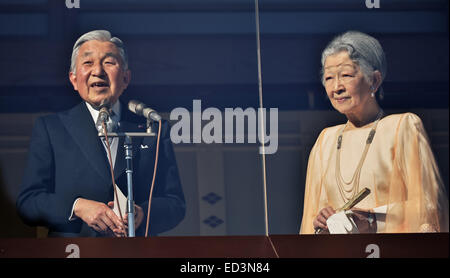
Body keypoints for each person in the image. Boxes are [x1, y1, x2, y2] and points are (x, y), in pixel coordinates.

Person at [16, 30, 186, 237]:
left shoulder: (153, 128)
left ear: (125, 78)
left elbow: (175, 203)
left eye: (109, 62)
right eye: (88, 63)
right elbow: (29, 203)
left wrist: (142, 214)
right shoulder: (50, 128)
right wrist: (76, 207)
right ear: (74, 79)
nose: (98, 71)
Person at [299, 31, 449, 234]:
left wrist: (371, 219)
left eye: (346, 75)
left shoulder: (402, 127)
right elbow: (309, 223)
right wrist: (320, 221)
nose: (336, 87)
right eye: (328, 78)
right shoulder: (325, 141)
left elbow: (429, 208)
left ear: (374, 80)